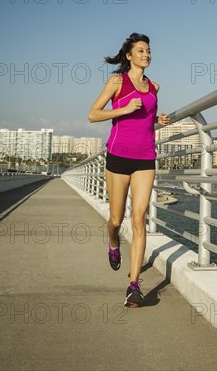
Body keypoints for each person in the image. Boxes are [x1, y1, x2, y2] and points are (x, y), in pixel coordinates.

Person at [88, 33, 170, 307]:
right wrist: (122, 109)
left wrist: (158, 118)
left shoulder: (154, 86)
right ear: (129, 55)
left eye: (149, 51)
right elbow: (93, 114)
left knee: (139, 219)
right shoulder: (117, 82)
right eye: (141, 50)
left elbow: (145, 116)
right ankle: (113, 243)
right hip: (119, 156)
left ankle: (133, 285)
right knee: (115, 219)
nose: (146, 54)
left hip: (146, 157)